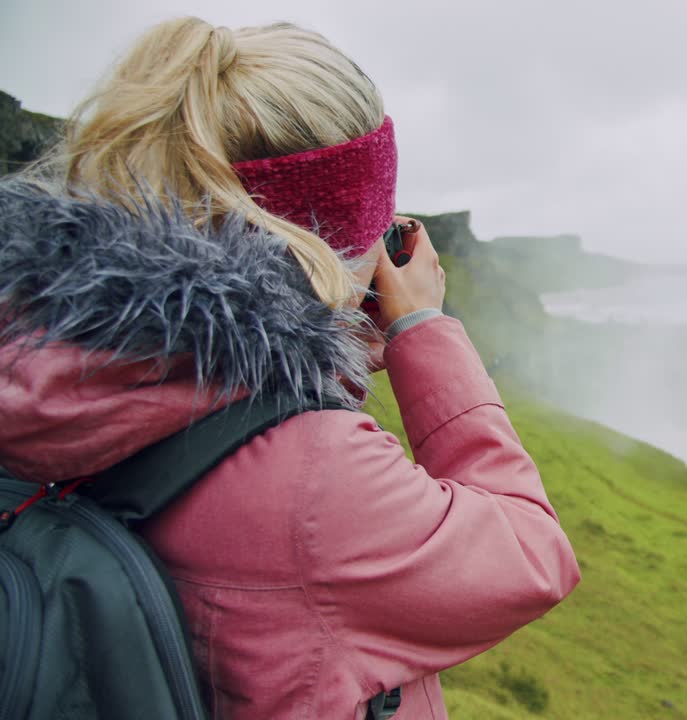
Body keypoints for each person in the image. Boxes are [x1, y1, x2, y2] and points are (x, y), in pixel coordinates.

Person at [0, 16, 580, 720]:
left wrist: (321, 359)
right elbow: (532, 555)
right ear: (341, 238)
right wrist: (421, 328)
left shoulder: (49, 369)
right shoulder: (317, 485)